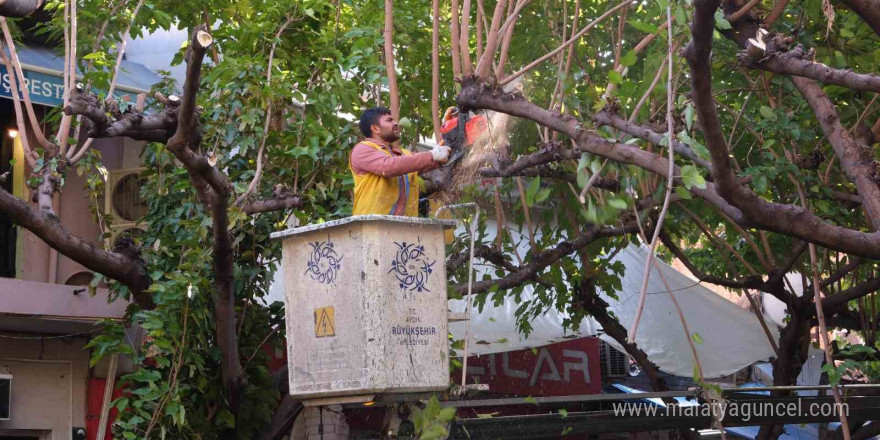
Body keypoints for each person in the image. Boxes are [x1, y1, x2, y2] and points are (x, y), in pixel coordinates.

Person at [349, 107, 450, 216]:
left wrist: (448, 131)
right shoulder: (362, 149)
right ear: (375, 128)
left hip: (403, 228)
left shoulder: (403, 154)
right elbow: (388, 166)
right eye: (389, 120)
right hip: (372, 227)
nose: (396, 123)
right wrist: (432, 155)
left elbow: (434, 158)